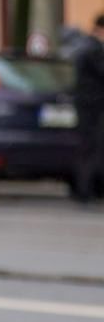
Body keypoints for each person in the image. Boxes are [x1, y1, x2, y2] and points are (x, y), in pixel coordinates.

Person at [74, 14, 104, 207]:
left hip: (87, 104)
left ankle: (86, 189)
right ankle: (87, 190)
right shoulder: (94, 49)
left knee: (89, 147)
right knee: (92, 148)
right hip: (93, 105)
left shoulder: (84, 46)